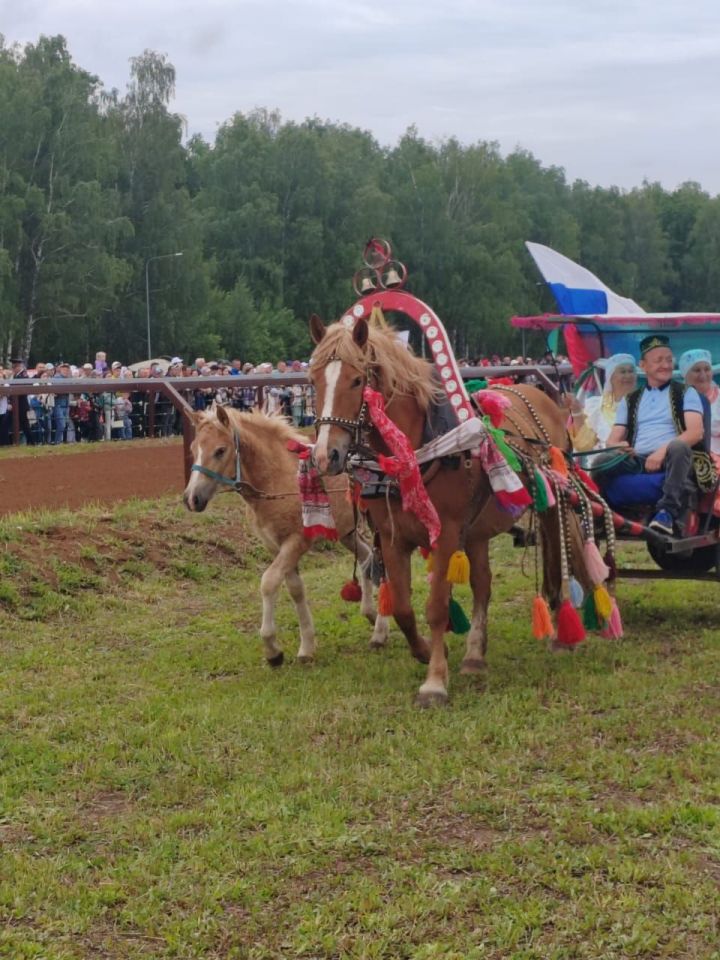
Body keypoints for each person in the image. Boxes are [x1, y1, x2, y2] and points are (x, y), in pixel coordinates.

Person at [594, 335, 710, 536]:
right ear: (643, 365)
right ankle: (597, 512)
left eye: (668, 359)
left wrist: (661, 452)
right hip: (638, 459)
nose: (665, 365)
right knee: (602, 460)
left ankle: (666, 512)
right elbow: (613, 438)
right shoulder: (630, 400)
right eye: (658, 361)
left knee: (679, 446)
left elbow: (695, 432)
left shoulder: (686, 393)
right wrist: (618, 446)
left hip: (675, 459)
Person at [568, 353, 637, 453]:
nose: (628, 376)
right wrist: (576, 411)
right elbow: (584, 446)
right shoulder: (596, 406)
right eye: (622, 372)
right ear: (611, 378)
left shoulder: (644, 403)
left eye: (631, 371)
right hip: (603, 463)